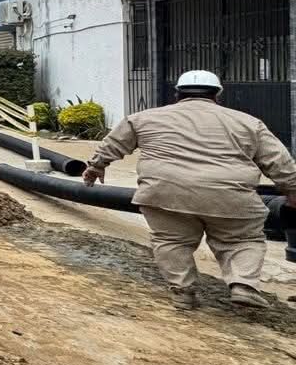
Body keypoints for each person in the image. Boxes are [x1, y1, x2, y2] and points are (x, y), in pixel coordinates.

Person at [84, 69, 296, 310]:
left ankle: (183, 292)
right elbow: (279, 161)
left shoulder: (143, 118)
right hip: (229, 195)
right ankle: (243, 284)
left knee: (171, 241)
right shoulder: (248, 123)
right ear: (218, 95)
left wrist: (95, 167)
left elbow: (113, 144)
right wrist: (292, 190)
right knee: (241, 240)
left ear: (177, 95)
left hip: (164, 193)